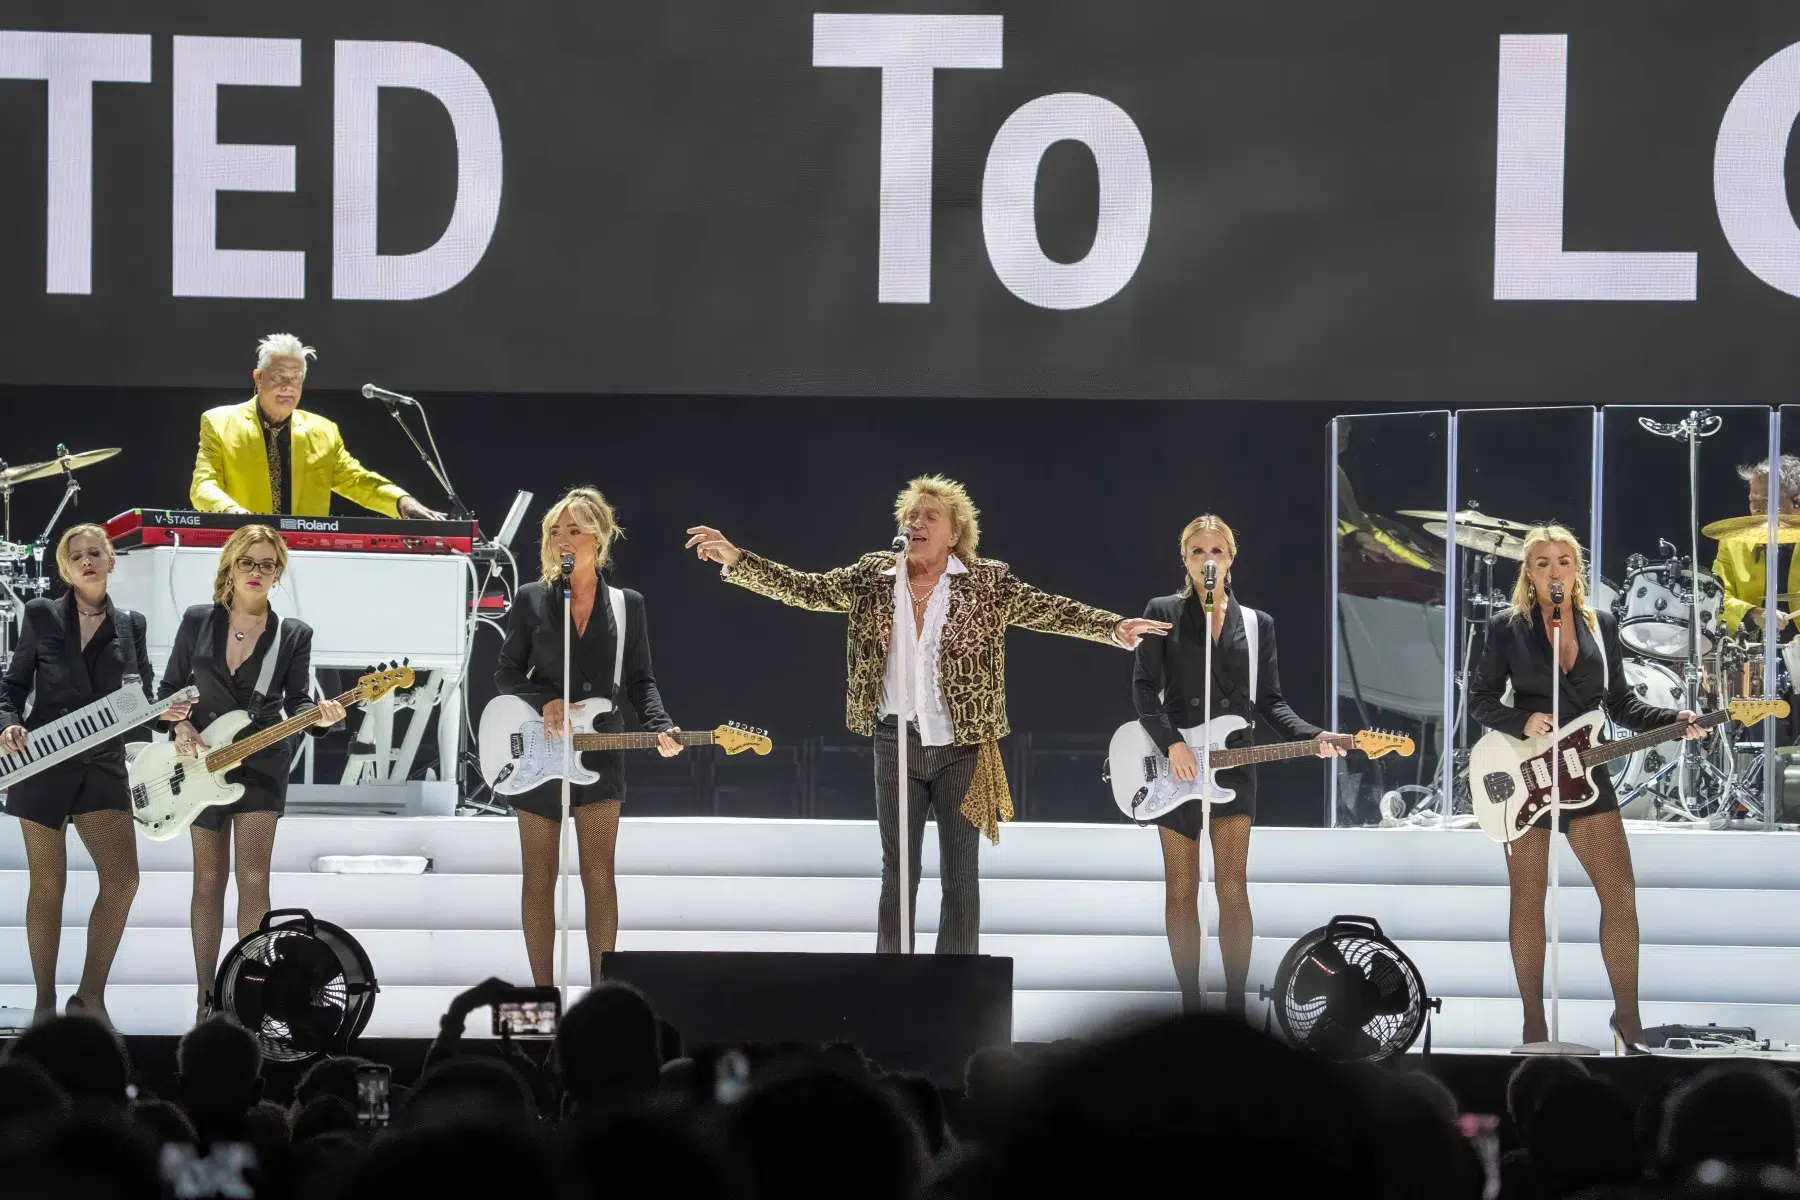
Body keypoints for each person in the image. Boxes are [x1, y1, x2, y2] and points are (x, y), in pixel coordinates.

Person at [686, 475, 1167, 954]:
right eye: (910, 516)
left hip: (962, 746)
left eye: (929, 517)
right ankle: (893, 986)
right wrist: (739, 560)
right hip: (895, 742)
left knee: (961, 875)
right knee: (898, 873)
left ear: (954, 533)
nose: (915, 523)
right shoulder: (874, 575)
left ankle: (956, 993)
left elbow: (1049, 609)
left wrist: (1113, 627)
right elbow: (808, 590)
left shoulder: (986, 581)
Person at [1467, 524, 1704, 1050]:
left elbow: (1620, 704)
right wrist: (1521, 720)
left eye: (1565, 562)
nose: (1555, 572)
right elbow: (1480, 699)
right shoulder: (1508, 627)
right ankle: (1533, 1021)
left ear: (1579, 569)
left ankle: (1628, 1018)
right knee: (1527, 899)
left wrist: (1675, 718)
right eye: (1544, 563)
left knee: (1619, 893)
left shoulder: (1602, 624)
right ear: (1529, 572)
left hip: (1587, 776)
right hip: (1528, 774)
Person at [1132, 515, 1342, 1016]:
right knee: (1181, 886)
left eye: (1218, 552)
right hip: (1176, 763)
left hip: (1234, 764)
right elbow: (1143, 687)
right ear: (1185, 559)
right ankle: (1188, 1002)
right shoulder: (1163, 612)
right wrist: (1171, 743)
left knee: (1232, 883)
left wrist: (1315, 736)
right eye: (1199, 551)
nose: (1209, 559)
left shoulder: (1256, 623)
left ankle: (1232, 1006)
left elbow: (1270, 702)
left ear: (1231, 558)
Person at [0, 524, 191, 1024]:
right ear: (64, 568)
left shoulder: (131, 624)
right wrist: (8, 725)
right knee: (48, 884)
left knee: (124, 879)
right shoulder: (41, 614)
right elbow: (12, 686)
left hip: (103, 765)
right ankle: (43, 1004)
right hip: (42, 762)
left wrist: (168, 716)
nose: (86, 561)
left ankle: (90, 996)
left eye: (94, 553)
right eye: (75, 555)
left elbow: (142, 701)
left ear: (111, 560)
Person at [159, 525, 345, 1021]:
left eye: (268, 564)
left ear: (278, 572)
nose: (258, 572)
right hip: (200, 762)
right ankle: (206, 997)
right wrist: (178, 729)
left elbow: (301, 701)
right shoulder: (197, 620)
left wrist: (322, 718)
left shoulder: (293, 634)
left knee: (254, 879)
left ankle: (246, 993)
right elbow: (170, 690)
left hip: (263, 761)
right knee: (207, 881)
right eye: (249, 562)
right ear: (230, 568)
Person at [496, 487, 681, 986]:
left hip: (600, 753)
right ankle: (540, 998)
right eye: (555, 531)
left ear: (598, 538)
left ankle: (603, 997)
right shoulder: (533, 598)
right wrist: (544, 701)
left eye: (574, 530)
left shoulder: (627, 605)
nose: (563, 539)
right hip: (539, 750)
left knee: (599, 877)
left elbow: (641, 681)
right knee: (539, 879)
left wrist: (661, 726)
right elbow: (506, 672)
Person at [190, 332, 445, 519]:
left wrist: (401, 501)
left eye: (296, 378)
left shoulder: (323, 431)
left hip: (306, 555)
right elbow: (203, 485)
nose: (287, 386)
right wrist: (233, 512)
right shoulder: (219, 422)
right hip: (243, 549)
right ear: (259, 377)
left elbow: (355, 480)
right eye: (279, 377)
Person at [1714, 455, 1800, 640]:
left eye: (1767, 500)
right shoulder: (1733, 542)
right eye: (1753, 500)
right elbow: (1716, 599)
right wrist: (1754, 614)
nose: (1757, 509)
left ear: (1796, 503)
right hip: (1751, 652)